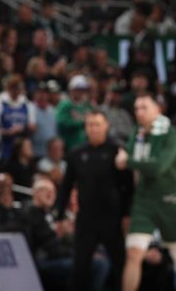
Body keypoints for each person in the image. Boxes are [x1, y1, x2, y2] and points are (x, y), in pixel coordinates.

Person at [115, 93, 176, 291]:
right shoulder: (137, 132)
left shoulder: (172, 134)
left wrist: (128, 161)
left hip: (170, 200)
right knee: (133, 253)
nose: (139, 112)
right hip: (144, 200)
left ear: (157, 109)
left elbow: (158, 168)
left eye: (144, 108)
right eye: (136, 108)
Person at [56, 111, 134, 291]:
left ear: (106, 126)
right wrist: (59, 216)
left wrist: (127, 214)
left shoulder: (117, 151)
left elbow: (128, 188)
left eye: (97, 124)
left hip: (113, 218)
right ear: (85, 128)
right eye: (90, 125)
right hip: (86, 218)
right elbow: (66, 187)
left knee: (119, 264)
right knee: (79, 267)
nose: (94, 129)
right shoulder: (76, 154)